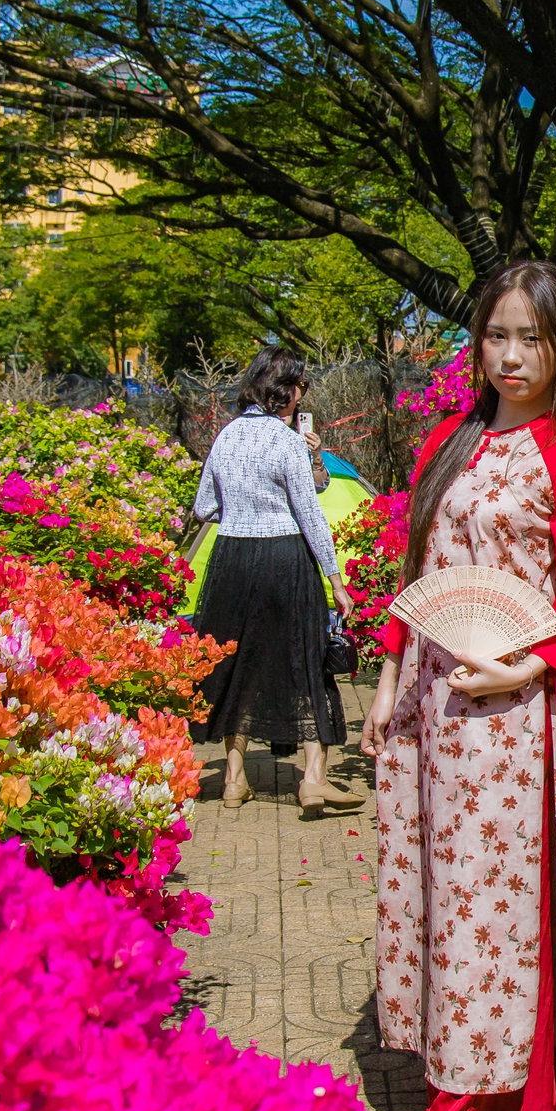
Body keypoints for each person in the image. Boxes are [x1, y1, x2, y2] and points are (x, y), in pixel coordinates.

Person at [353, 261, 556, 1111]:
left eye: (532, 339)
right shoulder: (449, 442)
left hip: (504, 718)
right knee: (432, 896)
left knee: (488, 916)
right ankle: (521, 1107)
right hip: (428, 707)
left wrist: (529, 667)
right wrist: (388, 677)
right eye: (498, 335)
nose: (512, 356)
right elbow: (418, 566)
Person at [190, 346, 361, 816]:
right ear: (286, 392)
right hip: (286, 558)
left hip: (232, 557)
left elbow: (203, 506)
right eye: (300, 389)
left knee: (237, 661)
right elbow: (310, 515)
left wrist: (245, 506)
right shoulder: (287, 442)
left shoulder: (225, 438)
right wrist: (337, 580)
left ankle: (234, 779)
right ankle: (312, 781)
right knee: (305, 662)